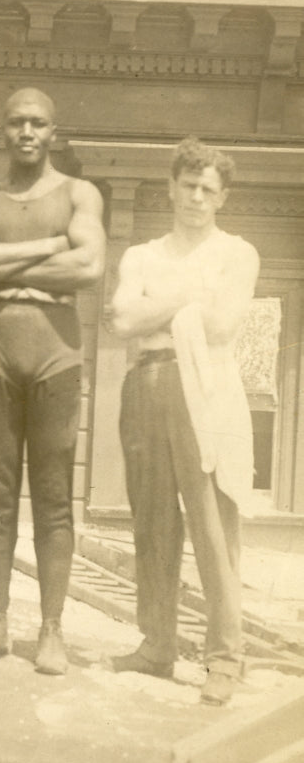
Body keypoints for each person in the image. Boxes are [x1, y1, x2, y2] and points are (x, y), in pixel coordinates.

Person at [0, 88, 106, 674]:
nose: (27, 132)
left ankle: (52, 631)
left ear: (54, 131)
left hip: (56, 357)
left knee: (54, 498)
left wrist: (1, 260)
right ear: (2, 130)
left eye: (38, 123)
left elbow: (89, 267)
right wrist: (48, 248)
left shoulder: (79, 194)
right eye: (16, 122)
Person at [107, 137, 258, 706]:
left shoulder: (236, 253)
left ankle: (225, 657)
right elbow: (120, 318)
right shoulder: (142, 254)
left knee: (212, 523)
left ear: (221, 199)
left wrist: (160, 307)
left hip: (206, 386)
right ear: (171, 187)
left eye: (208, 190)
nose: (196, 197)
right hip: (145, 381)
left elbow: (221, 326)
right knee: (151, 520)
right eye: (188, 185)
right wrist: (186, 300)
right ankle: (157, 644)